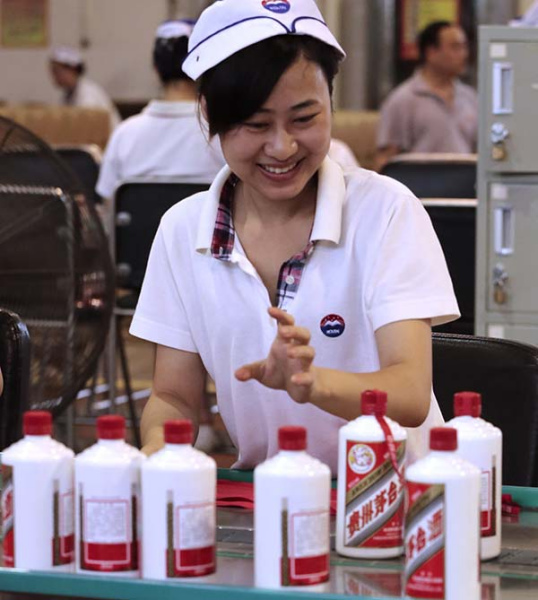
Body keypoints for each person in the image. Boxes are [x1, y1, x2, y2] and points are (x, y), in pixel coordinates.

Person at [130, 0, 459, 474]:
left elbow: (408, 394)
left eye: (304, 119)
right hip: (267, 495)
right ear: (209, 115)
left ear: (331, 101)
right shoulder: (183, 231)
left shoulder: (384, 211)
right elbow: (172, 395)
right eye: (256, 124)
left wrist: (311, 383)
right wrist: (160, 449)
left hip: (397, 500)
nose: (282, 147)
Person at [96, 20, 226, 203]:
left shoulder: (124, 135)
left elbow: (107, 205)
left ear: (156, 70)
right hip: (204, 233)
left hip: (141, 233)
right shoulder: (223, 134)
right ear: (200, 68)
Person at [375, 21, 478, 171]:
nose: (464, 54)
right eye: (455, 47)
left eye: (464, 47)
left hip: (466, 187)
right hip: (420, 188)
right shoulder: (402, 99)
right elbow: (386, 159)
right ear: (431, 52)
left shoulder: (471, 98)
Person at [49, 46, 121, 132]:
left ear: (72, 70)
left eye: (57, 71)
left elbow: (87, 129)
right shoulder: (67, 95)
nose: (54, 76)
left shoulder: (88, 94)